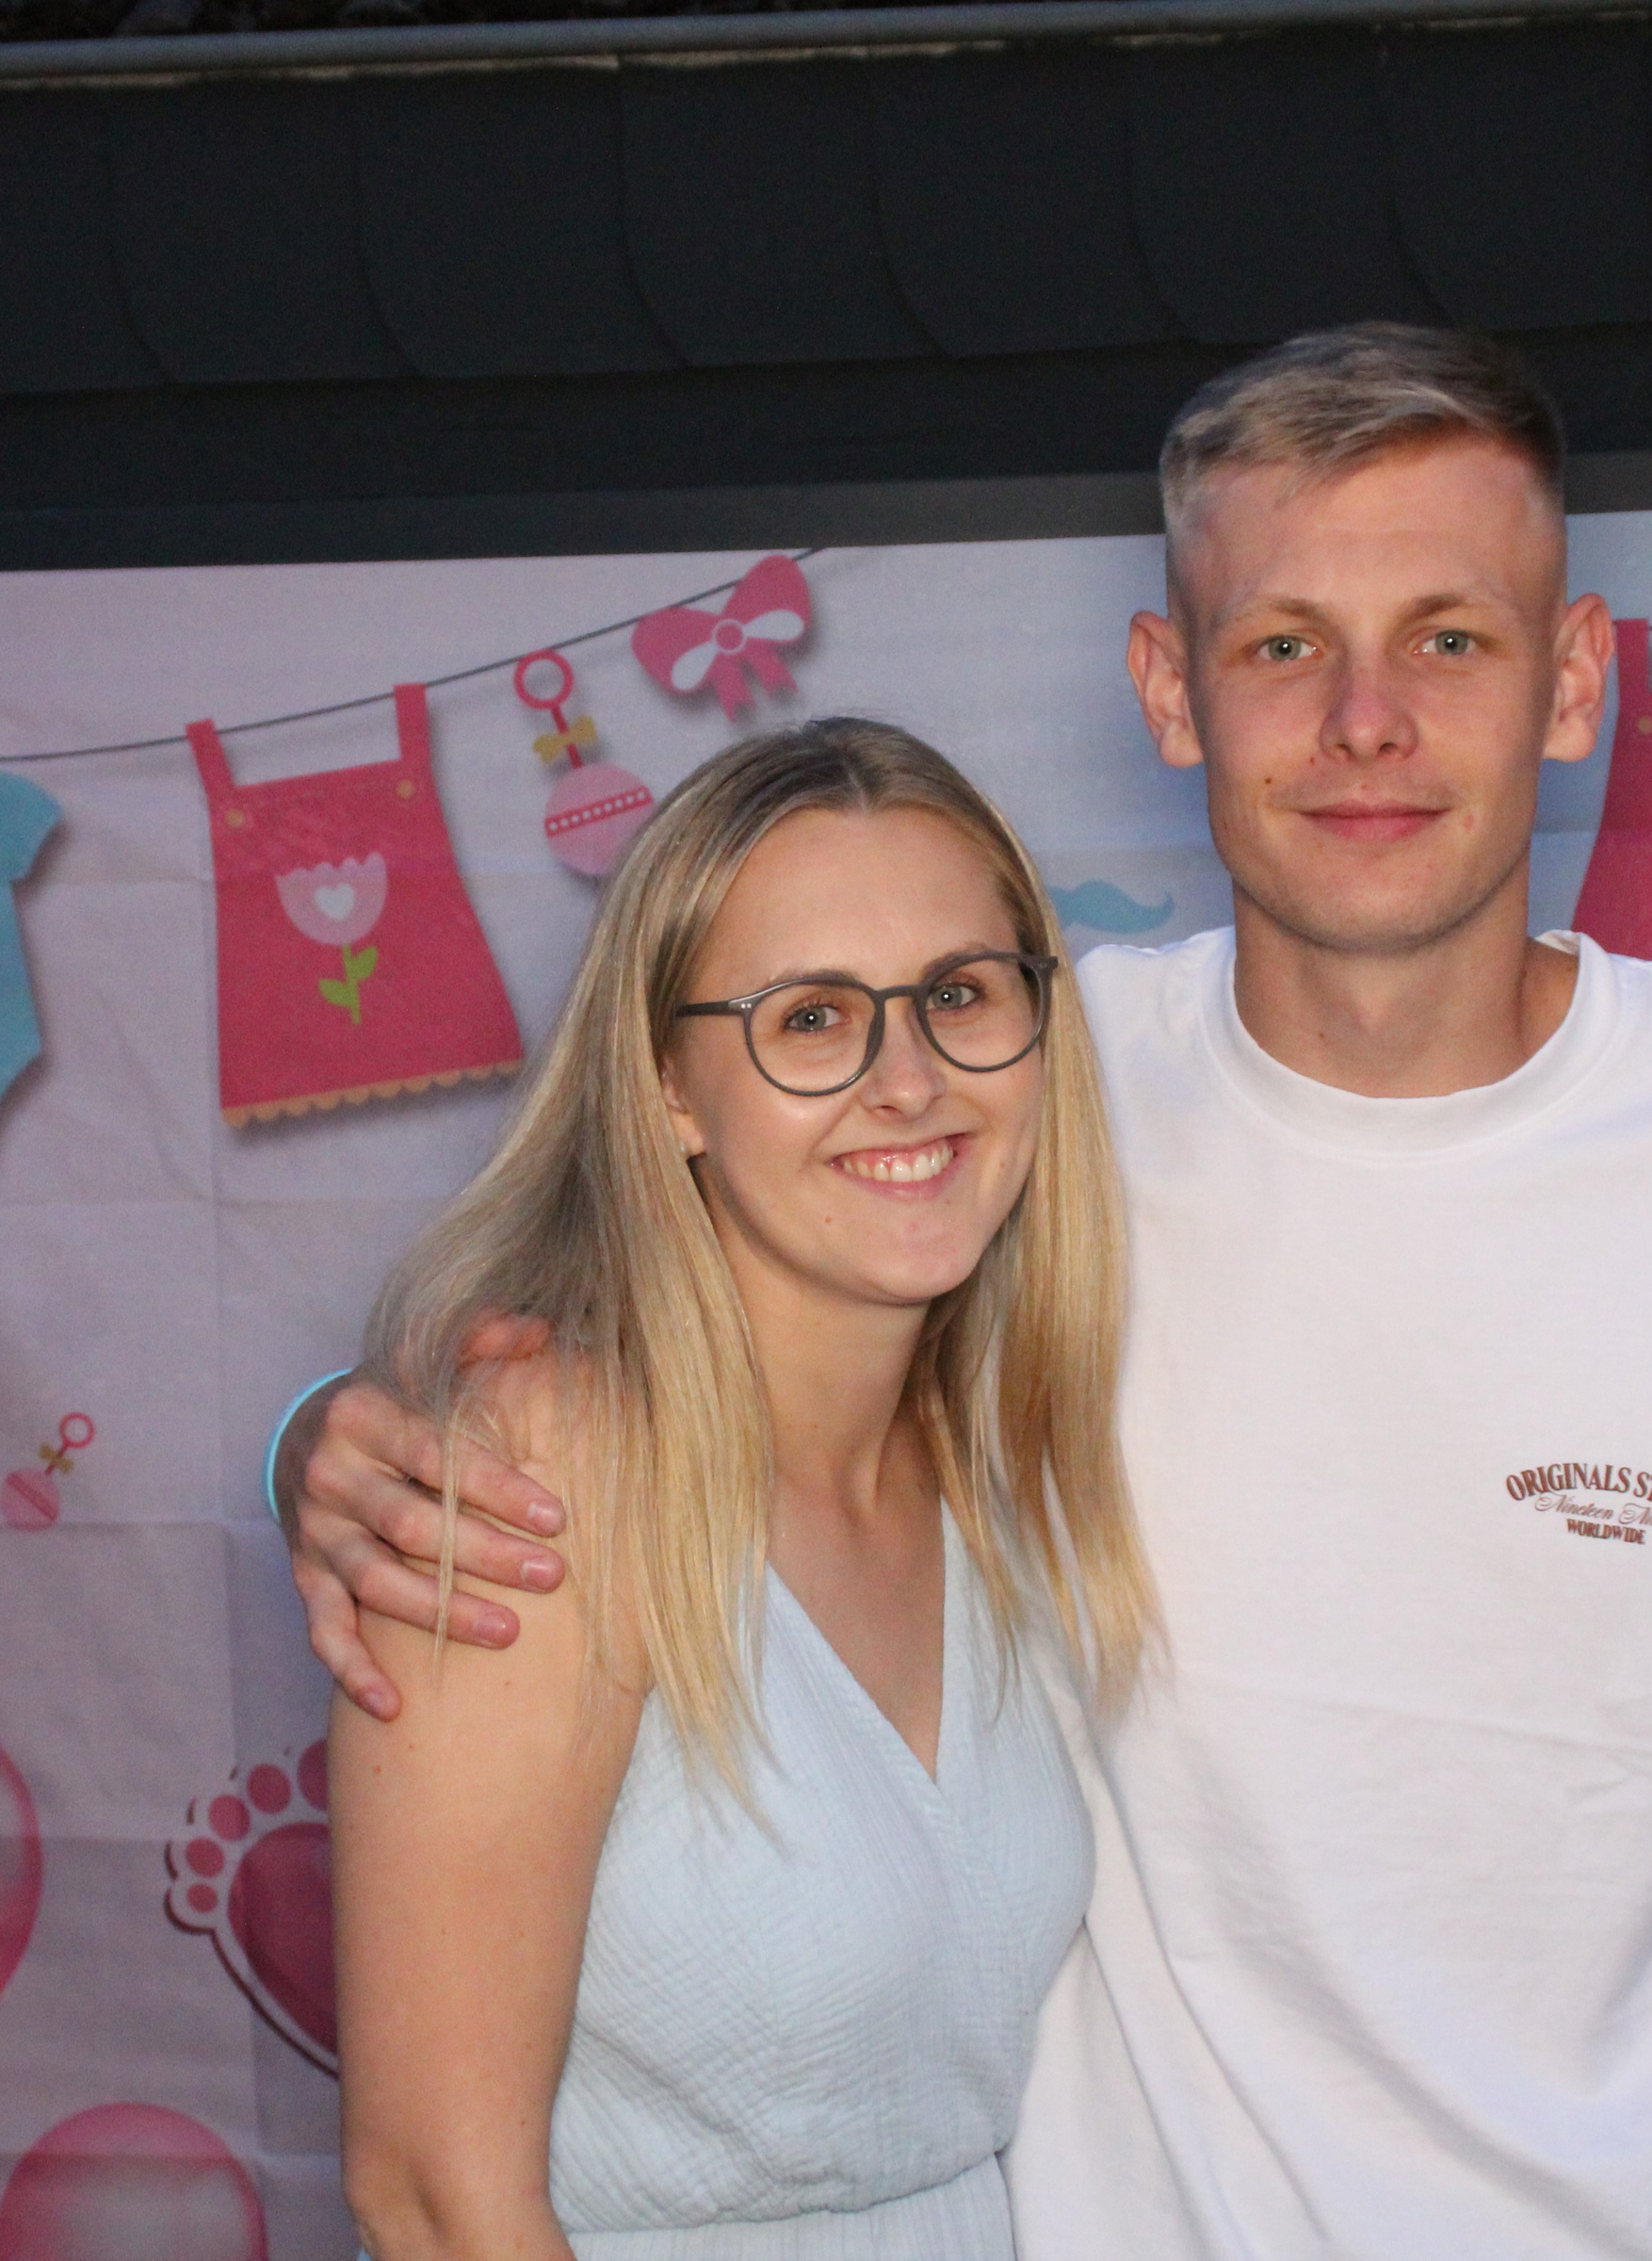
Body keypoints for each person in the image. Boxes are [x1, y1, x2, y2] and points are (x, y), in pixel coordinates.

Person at [287, 324, 1652, 2261]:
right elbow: (667, 1329)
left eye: (1450, 639)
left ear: (1576, 678)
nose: (1366, 722)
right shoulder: (1029, 1103)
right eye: (1283, 645)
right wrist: (344, 1447)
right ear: (1172, 689)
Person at [325, 717, 1156, 2261]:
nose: (909, 1081)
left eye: (960, 995)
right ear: (670, 1089)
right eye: (812, 1019)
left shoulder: (997, 1468)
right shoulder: (545, 1473)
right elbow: (434, 2200)